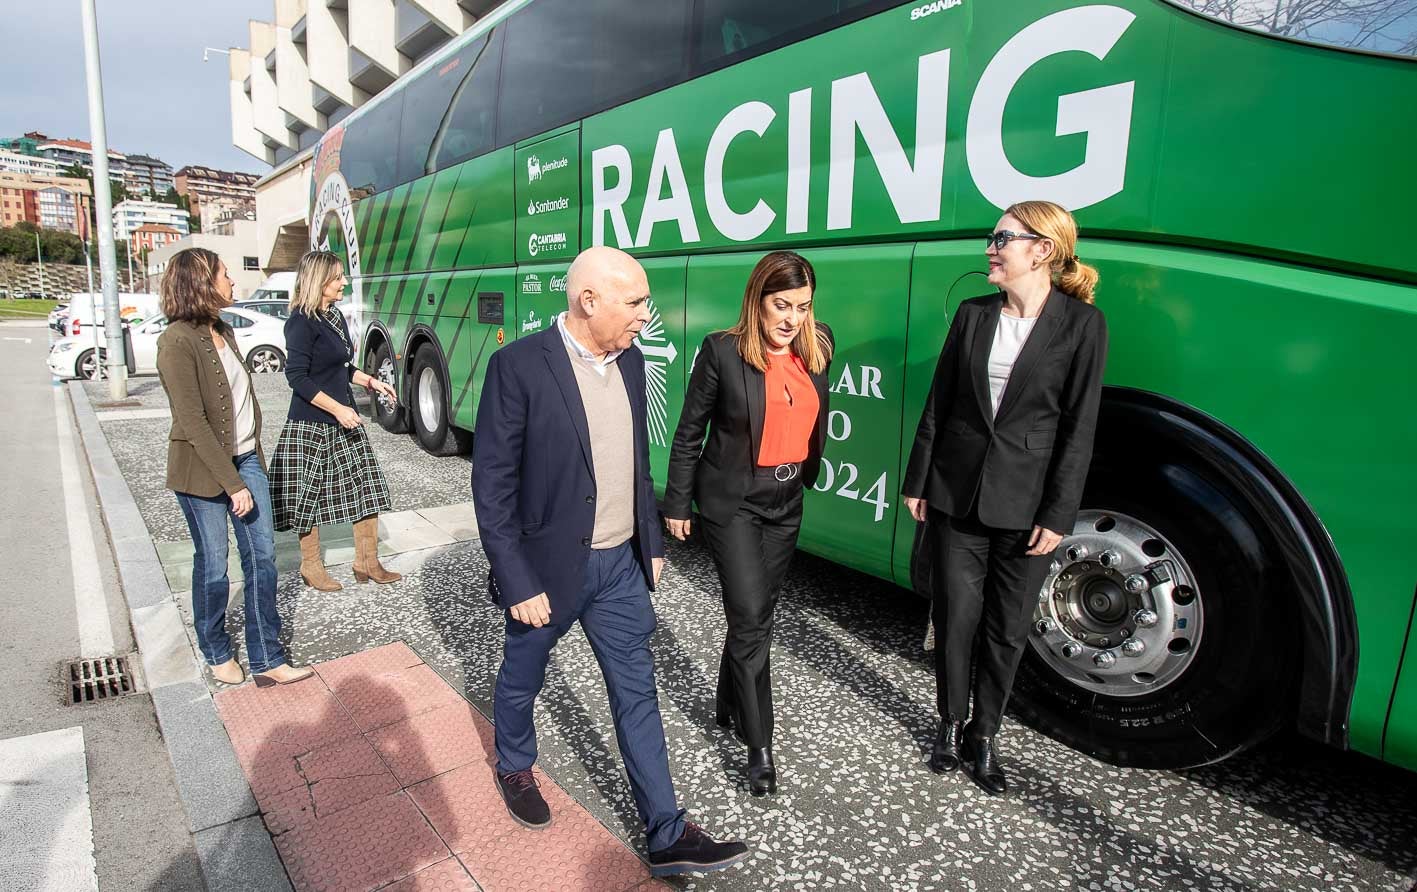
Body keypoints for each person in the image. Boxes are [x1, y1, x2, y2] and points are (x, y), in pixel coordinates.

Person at [471, 246, 749, 877]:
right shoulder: (517, 367)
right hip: (546, 571)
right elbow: (491, 486)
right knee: (523, 676)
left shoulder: (631, 362)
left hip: (620, 566)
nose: (646, 316)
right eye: (636, 302)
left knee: (637, 694)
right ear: (588, 301)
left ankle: (667, 831)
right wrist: (516, 579)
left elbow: (635, 462)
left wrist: (648, 542)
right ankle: (514, 764)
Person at [903, 200, 1107, 794]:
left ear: (1042, 249)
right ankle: (949, 722)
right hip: (956, 496)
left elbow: (1079, 427)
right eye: (992, 238)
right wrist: (919, 480)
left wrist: (1059, 513)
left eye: (1002, 239)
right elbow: (939, 405)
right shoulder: (972, 314)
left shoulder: (1082, 326)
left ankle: (984, 734)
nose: (990, 249)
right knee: (958, 619)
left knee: (1008, 629)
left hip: (1028, 508)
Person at [662, 251, 834, 796]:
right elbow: (690, 432)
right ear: (757, 300)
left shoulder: (818, 346)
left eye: (802, 308)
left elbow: (812, 417)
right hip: (733, 501)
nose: (792, 319)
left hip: (786, 500)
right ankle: (759, 746)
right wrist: (676, 504)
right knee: (753, 617)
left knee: (755, 612)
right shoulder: (722, 351)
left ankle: (725, 699)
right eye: (781, 306)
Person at [156, 247, 312, 688]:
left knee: (263, 558)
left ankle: (267, 656)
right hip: (202, 469)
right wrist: (232, 484)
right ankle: (216, 649)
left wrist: (249, 471)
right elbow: (193, 421)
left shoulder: (224, 329)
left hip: (246, 460)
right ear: (201, 282)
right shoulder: (176, 341)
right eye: (226, 275)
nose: (232, 282)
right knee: (214, 565)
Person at [269, 251, 401, 589]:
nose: (344, 282)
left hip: (344, 417)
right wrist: (338, 409)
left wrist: (372, 382)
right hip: (312, 422)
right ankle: (310, 566)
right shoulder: (300, 321)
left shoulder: (334, 316)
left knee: (367, 489)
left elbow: (341, 368)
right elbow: (297, 377)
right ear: (319, 281)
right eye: (337, 277)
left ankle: (367, 562)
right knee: (306, 498)